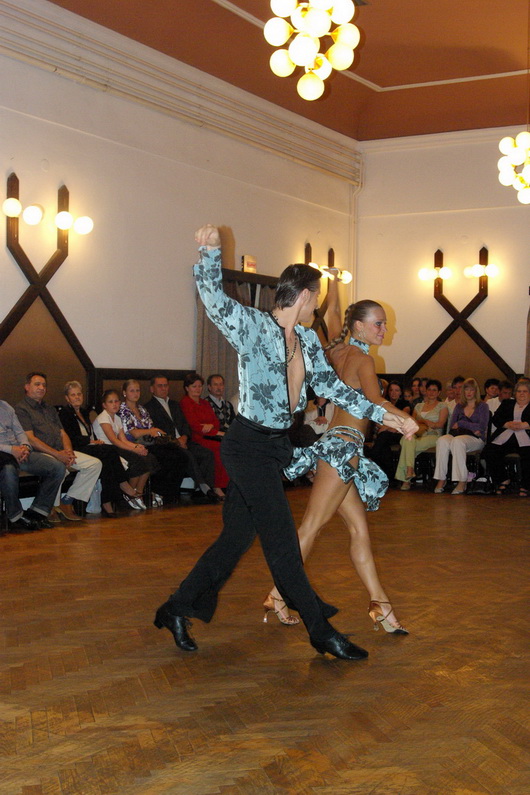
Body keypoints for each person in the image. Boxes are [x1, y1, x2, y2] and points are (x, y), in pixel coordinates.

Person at [154, 224, 415, 661]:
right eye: (317, 298)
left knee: (234, 541)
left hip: (275, 447)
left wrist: (385, 415)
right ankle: (321, 631)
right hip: (247, 445)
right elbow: (213, 300)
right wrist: (209, 252)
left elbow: (334, 388)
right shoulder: (253, 326)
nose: (317, 305)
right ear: (307, 295)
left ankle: (175, 608)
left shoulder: (307, 340)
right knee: (282, 543)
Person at [264, 280, 417, 631]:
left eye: (384, 323)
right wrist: (405, 419)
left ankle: (381, 605)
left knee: (359, 530)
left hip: (340, 449)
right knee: (311, 527)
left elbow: (333, 315)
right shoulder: (363, 360)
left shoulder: (336, 351)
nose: (384, 329)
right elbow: (376, 402)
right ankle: (277, 594)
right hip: (342, 451)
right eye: (378, 323)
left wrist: (333, 284)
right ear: (359, 326)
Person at [15, 372, 102, 521]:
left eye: (44, 385)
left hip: (60, 451)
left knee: (95, 464)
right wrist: (57, 455)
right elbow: (30, 439)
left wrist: (68, 451)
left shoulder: (49, 409)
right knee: (58, 466)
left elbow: (63, 433)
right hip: (39, 453)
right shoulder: (21, 409)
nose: (41, 388)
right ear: (27, 387)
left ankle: (67, 501)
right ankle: (51, 506)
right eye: (37, 384)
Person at [58, 381, 145, 515]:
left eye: (79, 394)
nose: (77, 397)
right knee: (110, 450)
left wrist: (93, 441)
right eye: (73, 395)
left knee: (107, 462)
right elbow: (71, 437)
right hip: (77, 448)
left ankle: (107, 502)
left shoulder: (83, 412)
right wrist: (91, 441)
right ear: (67, 398)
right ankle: (123, 486)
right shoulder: (65, 413)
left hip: (90, 445)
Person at [144, 375, 219, 504]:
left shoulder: (175, 404)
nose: (163, 388)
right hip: (168, 444)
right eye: (159, 386)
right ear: (152, 389)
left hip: (184, 440)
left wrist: (184, 437)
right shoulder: (148, 408)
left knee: (207, 453)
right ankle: (205, 488)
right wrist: (176, 441)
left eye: (165, 385)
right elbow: (156, 431)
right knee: (187, 455)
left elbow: (185, 425)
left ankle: (202, 489)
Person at [118, 379, 188, 505]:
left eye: (137, 390)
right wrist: (151, 431)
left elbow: (151, 428)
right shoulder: (122, 409)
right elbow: (133, 433)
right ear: (124, 393)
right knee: (165, 456)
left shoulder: (142, 409)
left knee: (180, 455)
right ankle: (158, 491)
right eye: (132, 391)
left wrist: (153, 431)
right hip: (133, 444)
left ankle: (170, 492)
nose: (135, 393)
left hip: (150, 442)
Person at [0, 398, 64, 532]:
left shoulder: (5, 406)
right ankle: (15, 515)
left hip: (20, 452)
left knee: (57, 467)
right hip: (4, 456)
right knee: (9, 471)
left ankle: (38, 511)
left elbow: (19, 431)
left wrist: (25, 447)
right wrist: (12, 450)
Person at [92, 389, 159, 510]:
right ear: (104, 405)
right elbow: (114, 440)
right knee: (137, 462)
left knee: (149, 458)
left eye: (116, 401)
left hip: (116, 447)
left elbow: (123, 439)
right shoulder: (103, 418)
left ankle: (138, 493)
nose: (114, 404)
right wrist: (134, 450)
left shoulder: (117, 418)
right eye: (111, 402)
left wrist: (137, 447)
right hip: (107, 449)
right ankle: (128, 495)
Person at [433, 377, 490, 494]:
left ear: (476, 391)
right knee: (442, 440)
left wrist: (462, 423)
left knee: (458, 441)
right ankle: (441, 478)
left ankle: (462, 481)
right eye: (466, 389)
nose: (468, 392)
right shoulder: (459, 406)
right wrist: (471, 426)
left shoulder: (482, 406)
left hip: (476, 439)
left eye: (471, 390)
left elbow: (481, 427)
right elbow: (452, 426)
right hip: (458, 434)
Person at [179, 373, 229, 499]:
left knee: (226, 446)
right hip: (196, 438)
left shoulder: (204, 403)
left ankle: (227, 484)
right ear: (187, 388)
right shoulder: (185, 402)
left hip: (210, 436)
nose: (197, 389)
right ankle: (216, 486)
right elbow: (193, 425)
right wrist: (213, 430)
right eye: (194, 386)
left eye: (199, 386)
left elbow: (215, 423)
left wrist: (210, 426)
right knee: (217, 448)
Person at [395, 379, 448, 489]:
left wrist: (424, 421)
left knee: (406, 443)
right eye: (429, 389)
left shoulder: (442, 406)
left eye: (434, 390)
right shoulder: (418, 406)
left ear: (439, 392)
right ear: (426, 391)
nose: (431, 392)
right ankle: (409, 470)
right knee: (407, 439)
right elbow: (412, 422)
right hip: (417, 433)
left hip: (434, 435)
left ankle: (407, 479)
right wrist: (422, 423)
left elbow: (440, 424)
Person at [483, 378, 530, 497]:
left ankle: (526, 485)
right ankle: (503, 479)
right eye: (519, 391)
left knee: (528, 454)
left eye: (525, 391)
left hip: (526, 436)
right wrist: (507, 424)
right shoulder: (507, 403)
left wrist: (526, 425)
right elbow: (496, 419)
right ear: (515, 393)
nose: (522, 394)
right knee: (490, 451)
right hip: (507, 435)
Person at [366, 380, 410, 482]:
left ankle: (372, 454)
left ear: (401, 392)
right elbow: (378, 421)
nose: (393, 393)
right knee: (384, 448)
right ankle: (390, 477)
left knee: (383, 437)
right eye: (391, 390)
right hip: (385, 434)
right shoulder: (384, 403)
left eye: (396, 390)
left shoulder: (405, 404)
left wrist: (386, 427)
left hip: (400, 433)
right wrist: (387, 426)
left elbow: (401, 422)